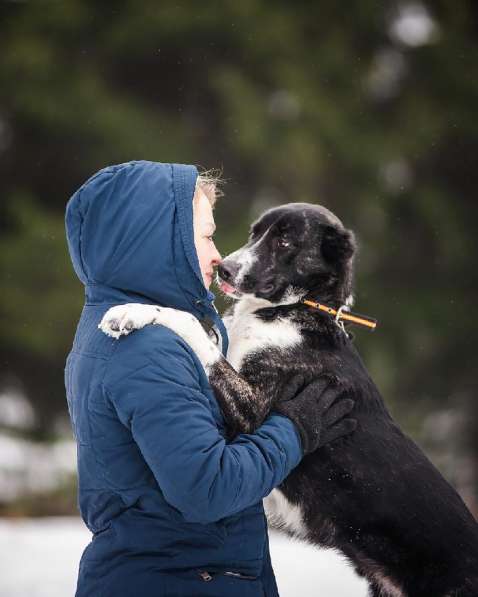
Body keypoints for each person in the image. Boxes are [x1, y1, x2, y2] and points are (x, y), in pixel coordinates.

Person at [64, 160, 356, 597]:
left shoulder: (121, 325)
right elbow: (209, 489)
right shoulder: (146, 347)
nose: (219, 253)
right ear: (157, 241)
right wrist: (295, 429)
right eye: (205, 235)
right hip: (177, 581)